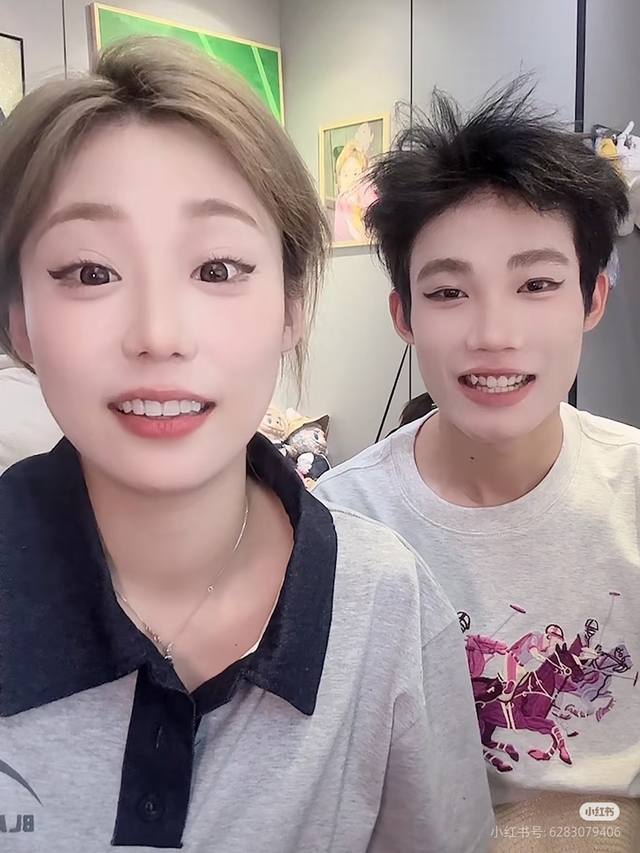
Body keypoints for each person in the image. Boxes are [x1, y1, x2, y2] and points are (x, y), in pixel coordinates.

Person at [0, 38, 491, 852]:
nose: (159, 334)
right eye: (89, 271)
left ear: (293, 304)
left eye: (219, 268)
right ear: (19, 320)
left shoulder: (384, 605)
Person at [314, 80, 640, 819]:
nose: (495, 334)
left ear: (592, 300)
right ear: (403, 315)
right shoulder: (339, 528)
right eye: (448, 293)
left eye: (537, 283)